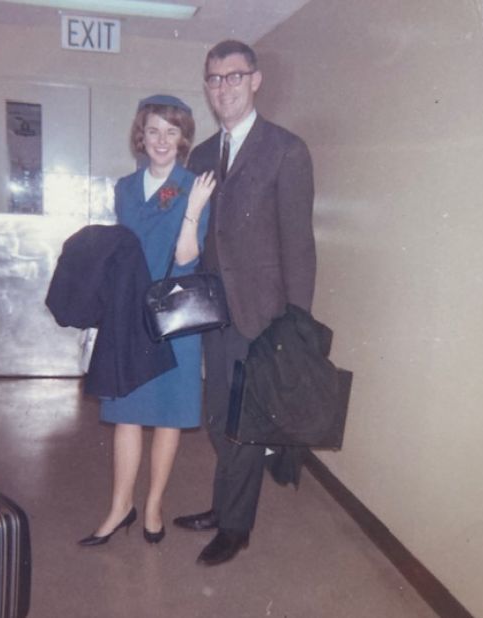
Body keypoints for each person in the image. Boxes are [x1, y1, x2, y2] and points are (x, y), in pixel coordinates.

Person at [173, 40, 317, 565]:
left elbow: (299, 245)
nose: (223, 88)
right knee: (217, 416)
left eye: (233, 77)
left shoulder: (286, 150)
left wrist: (296, 325)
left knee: (242, 421)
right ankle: (224, 505)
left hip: (262, 315)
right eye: (214, 79)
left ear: (255, 80)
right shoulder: (204, 154)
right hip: (213, 313)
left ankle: (235, 527)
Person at [78, 95, 215, 546]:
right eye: (153, 130)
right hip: (129, 315)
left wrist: (193, 211)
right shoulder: (125, 187)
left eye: (171, 132)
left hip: (173, 317)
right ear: (142, 134)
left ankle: (153, 503)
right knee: (127, 415)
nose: (161, 140)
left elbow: (184, 258)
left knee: (169, 417)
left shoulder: (195, 185)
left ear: (183, 139)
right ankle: (120, 508)